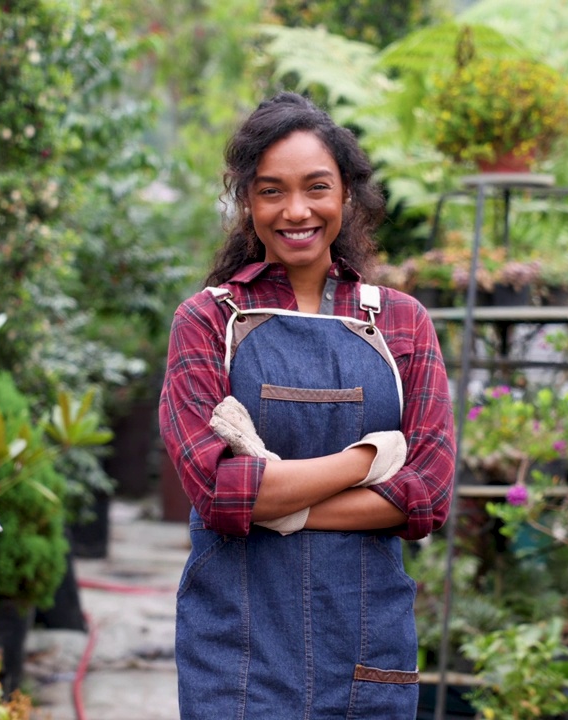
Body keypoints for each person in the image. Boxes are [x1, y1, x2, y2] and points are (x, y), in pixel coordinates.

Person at [158, 91, 456, 719]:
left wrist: (277, 500)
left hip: (365, 651)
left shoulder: (403, 323)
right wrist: (370, 459)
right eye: (271, 191)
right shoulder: (206, 322)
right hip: (236, 655)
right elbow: (219, 494)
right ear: (247, 202)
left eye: (316, 187)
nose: (296, 210)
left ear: (346, 195)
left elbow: (427, 494)